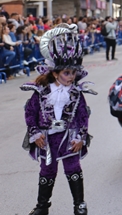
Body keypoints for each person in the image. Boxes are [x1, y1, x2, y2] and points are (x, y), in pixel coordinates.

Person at [22, 24, 94, 215]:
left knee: (73, 169)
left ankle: (79, 204)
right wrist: (35, 132)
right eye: (66, 73)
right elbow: (30, 113)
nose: (71, 77)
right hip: (47, 139)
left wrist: (80, 136)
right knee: (47, 171)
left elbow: (83, 116)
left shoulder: (77, 93)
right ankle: (42, 206)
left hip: (69, 138)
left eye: (73, 73)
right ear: (55, 73)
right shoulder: (41, 92)